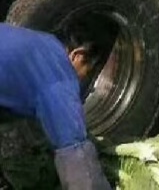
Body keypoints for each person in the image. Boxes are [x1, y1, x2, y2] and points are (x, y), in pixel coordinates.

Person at [0, 22, 112, 190]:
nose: (87, 83)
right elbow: (78, 160)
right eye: (88, 72)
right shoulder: (59, 76)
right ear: (78, 55)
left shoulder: (44, 43)